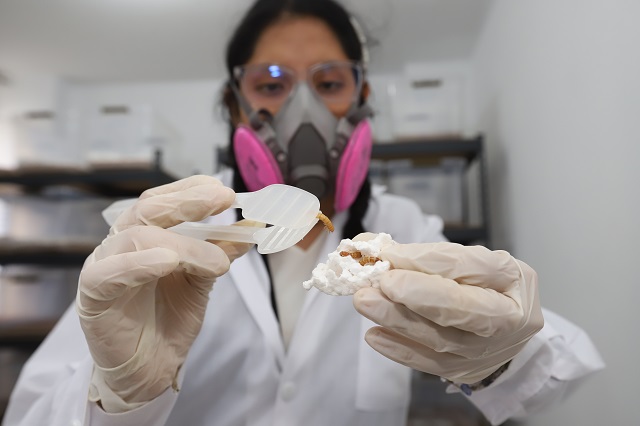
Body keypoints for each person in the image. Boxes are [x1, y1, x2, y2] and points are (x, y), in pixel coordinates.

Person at [3, 1, 604, 425]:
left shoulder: (404, 227)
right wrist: (117, 396)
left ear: (362, 98)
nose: (303, 110)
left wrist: (502, 358)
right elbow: (30, 413)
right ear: (235, 107)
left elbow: (556, 377)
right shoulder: (169, 231)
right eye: (271, 85)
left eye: (329, 83)